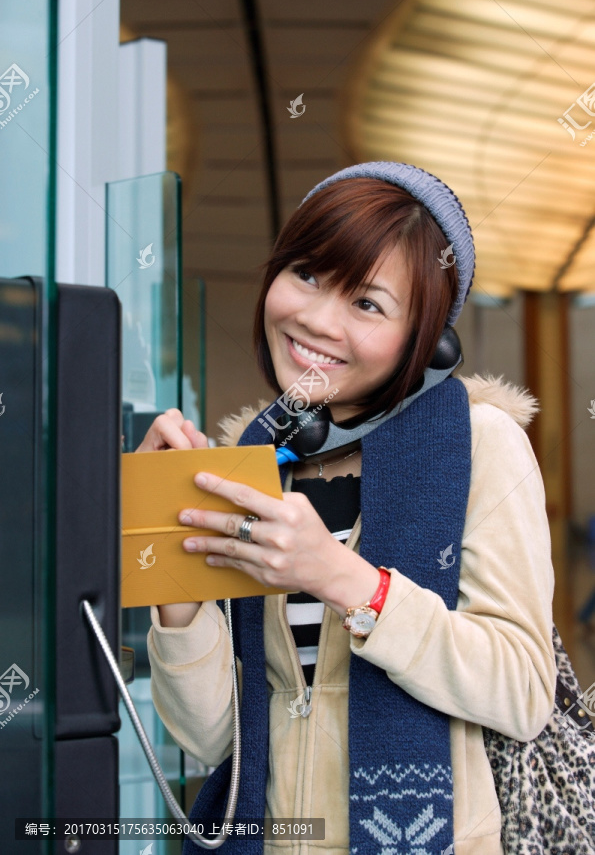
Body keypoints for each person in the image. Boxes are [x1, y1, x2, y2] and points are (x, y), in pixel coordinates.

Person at [139, 163, 556, 855]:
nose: (315, 319)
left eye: (367, 304)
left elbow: (520, 692)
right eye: (304, 273)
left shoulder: (482, 446)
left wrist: (346, 580)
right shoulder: (251, 459)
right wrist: (171, 563)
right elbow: (213, 739)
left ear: (424, 340)